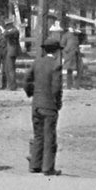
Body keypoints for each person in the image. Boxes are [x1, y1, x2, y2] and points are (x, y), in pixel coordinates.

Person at [25, 36, 64, 175]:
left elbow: (27, 80)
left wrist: (31, 94)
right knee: (49, 136)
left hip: (36, 104)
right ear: (56, 52)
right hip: (49, 105)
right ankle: (48, 167)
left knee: (38, 135)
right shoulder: (56, 65)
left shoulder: (37, 63)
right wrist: (57, 102)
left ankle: (35, 165)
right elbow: (56, 88)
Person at [0, 17, 20, 90]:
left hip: (11, 51)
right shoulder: (12, 30)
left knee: (10, 69)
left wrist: (4, 31)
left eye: (7, 25)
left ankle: (12, 86)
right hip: (10, 51)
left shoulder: (14, 31)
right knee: (8, 68)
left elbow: (6, 34)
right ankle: (10, 85)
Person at [60, 25, 81, 89]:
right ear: (69, 28)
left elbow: (78, 42)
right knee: (69, 70)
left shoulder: (76, 35)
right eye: (72, 28)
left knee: (76, 70)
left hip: (75, 54)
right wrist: (66, 50)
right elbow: (62, 45)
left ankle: (76, 86)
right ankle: (69, 86)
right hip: (68, 54)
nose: (73, 29)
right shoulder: (65, 35)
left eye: (73, 28)